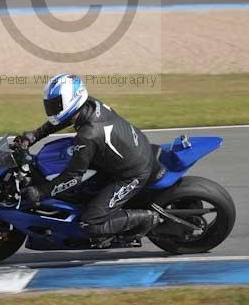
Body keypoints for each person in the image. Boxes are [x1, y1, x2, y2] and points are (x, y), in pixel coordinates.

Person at [14, 73, 161, 241]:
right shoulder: (89, 104)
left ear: (71, 100)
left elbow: (73, 178)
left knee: (90, 223)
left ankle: (146, 218)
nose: (52, 108)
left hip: (132, 173)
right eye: (50, 104)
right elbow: (64, 119)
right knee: (80, 192)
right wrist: (34, 135)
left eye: (56, 104)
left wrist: (41, 192)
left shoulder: (88, 135)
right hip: (127, 152)